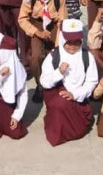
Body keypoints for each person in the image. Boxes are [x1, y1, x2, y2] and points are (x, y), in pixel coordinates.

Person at [40, 18, 98, 146]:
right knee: (60, 104)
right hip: (58, 96)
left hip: (78, 99)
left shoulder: (87, 57)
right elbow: (44, 82)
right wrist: (59, 73)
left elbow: (91, 81)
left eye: (76, 41)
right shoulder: (54, 56)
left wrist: (75, 95)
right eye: (68, 41)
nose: (72, 45)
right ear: (62, 39)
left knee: (79, 128)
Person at [18, 0, 68, 102]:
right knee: (35, 57)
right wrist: (37, 33)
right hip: (37, 24)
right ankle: (40, 85)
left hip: (54, 25)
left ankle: (54, 83)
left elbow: (63, 22)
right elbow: (22, 18)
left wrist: (57, 44)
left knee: (57, 55)